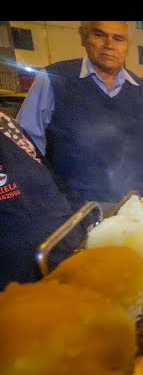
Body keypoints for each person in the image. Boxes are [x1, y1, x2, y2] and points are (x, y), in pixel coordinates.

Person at [18, 21, 143, 209]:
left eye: (118, 38)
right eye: (99, 35)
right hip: (74, 209)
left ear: (127, 46)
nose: (109, 45)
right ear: (84, 37)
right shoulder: (53, 80)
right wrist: (43, 201)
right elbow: (24, 149)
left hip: (133, 206)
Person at [0, 111, 81, 288]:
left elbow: (50, 178)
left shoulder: (6, 122)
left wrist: (81, 221)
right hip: (20, 279)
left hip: (63, 252)